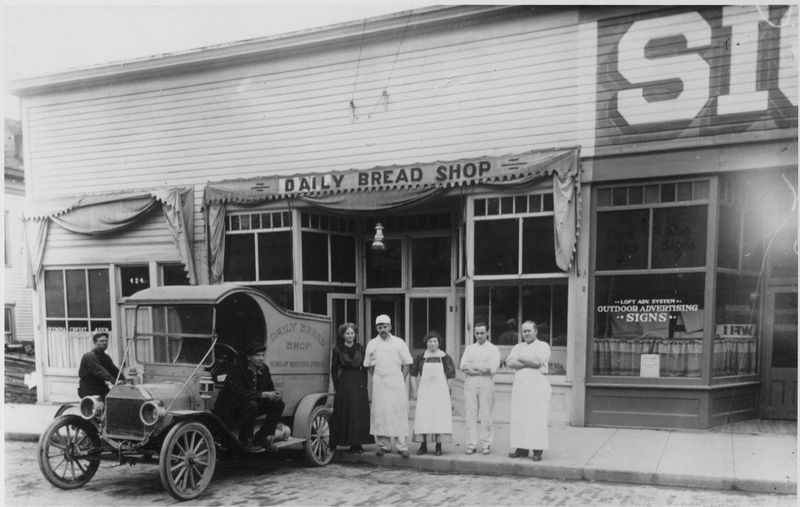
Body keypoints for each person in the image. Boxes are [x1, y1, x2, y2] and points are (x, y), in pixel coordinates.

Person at [213, 342, 285, 452]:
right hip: (230, 407)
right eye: (257, 355)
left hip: (250, 405)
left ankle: (262, 437)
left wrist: (274, 394)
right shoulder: (236, 368)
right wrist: (264, 394)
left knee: (278, 404)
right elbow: (239, 393)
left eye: (262, 355)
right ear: (248, 357)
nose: (261, 358)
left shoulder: (264, 369)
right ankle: (244, 440)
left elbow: (270, 388)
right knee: (252, 405)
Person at [363, 314, 413, 458]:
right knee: (381, 413)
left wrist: (401, 377)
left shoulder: (399, 342)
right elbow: (368, 365)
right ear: (376, 328)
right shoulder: (372, 343)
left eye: (385, 326)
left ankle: (402, 446)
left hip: (396, 381)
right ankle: (383, 446)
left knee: (398, 412)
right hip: (379, 382)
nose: (382, 329)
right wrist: (377, 376)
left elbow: (407, 362)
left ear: (390, 327)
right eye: (380, 327)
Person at [506, 320, 552, 462]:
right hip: (520, 387)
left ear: (535, 331)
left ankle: (537, 450)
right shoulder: (518, 346)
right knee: (520, 418)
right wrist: (529, 361)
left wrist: (520, 358)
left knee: (536, 418)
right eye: (524, 331)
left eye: (528, 331)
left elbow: (538, 362)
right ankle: (522, 448)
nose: (526, 334)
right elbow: (510, 362)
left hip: (537, 387)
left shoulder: (543, 346)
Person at [410, 331, 456, 456]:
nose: (432, 344)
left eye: (434, 341)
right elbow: (413, 374)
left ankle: (438, 446)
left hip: (440, 392)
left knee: (439, 418)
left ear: (439, 343)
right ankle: (423, 445)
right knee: (423, 417)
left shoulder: (445, 357)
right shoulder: (421, 357)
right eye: (430, 341)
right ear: (426, 343)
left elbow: (451, 375)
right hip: (425, 391)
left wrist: (447, 389)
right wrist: (415, 391)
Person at [329, 322, 372, 454]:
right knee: (344, 412)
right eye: (347, 333)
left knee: (357, 413)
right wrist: (337, 386)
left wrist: (364, 384)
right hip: (344, 383)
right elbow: (334, 369)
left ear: (355, 334)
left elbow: (364, 368)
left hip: (358, 381)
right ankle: (340, 441)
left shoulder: (360, 348)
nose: (350, 335)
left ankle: (357, 444)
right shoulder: (338, 349)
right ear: (343, 335)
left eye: (352, 333)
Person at [459, 321, 501, 455]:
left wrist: (474, 368)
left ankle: (486, 444)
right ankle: (471, 444)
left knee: (486, 414)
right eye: (477, 333)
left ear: (487, 332)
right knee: (470, 413)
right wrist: (479, 368)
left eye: (482, 333)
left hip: (486, 383)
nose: (479, 336)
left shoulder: (493, 349)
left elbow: (491, 369)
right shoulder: (469, 348)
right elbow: (463, 366)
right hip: (470, 383)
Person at [78, 332, 123, 399]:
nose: (104, 343)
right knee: (101, 404)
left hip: (101, 386)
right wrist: (113, 380)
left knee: (114, 399)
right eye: (101, 341)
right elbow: (99, 370)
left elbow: (113, 369)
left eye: (106, 341)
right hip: (89, 389)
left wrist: (123, 379)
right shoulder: (89, 356)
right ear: (95, 343)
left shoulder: (105, 357)